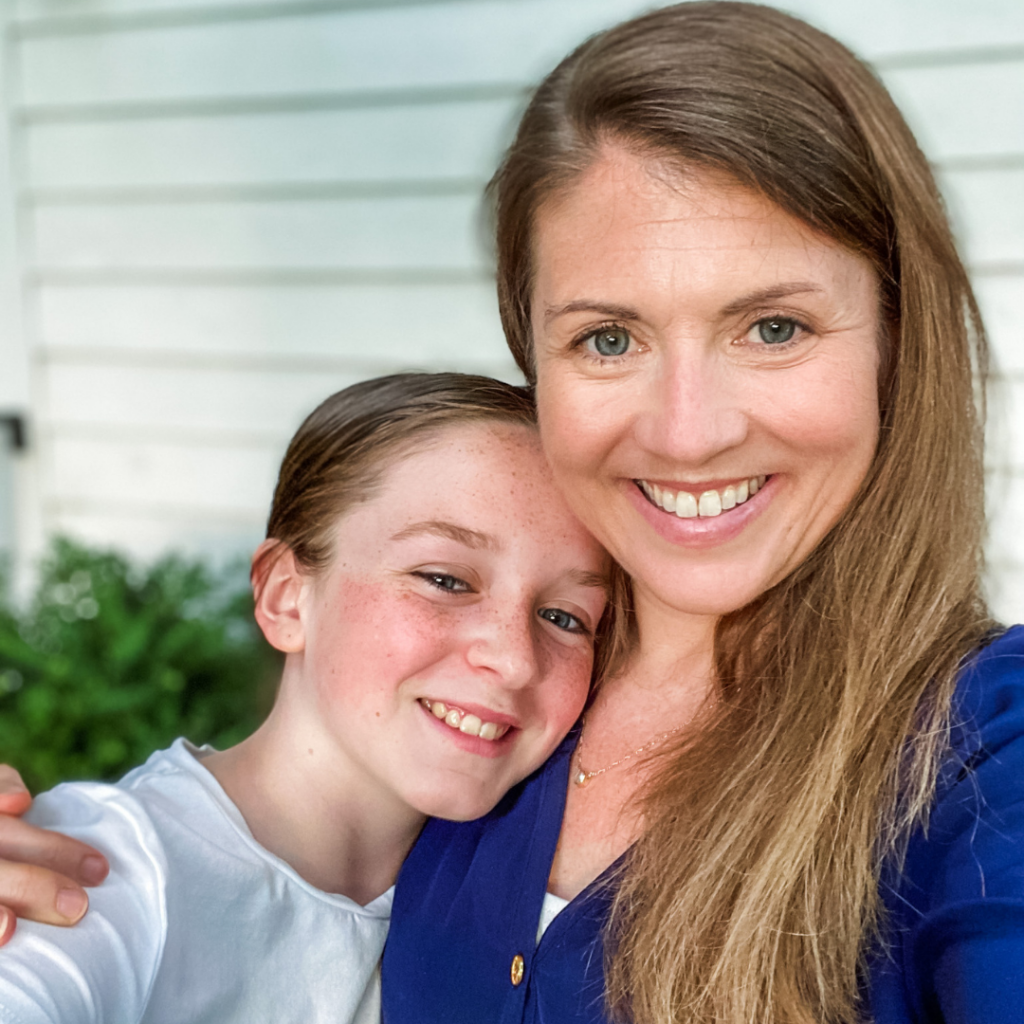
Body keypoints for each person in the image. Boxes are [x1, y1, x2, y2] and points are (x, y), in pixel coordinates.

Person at [2, 3, 1023, 1023]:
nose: (686, 432)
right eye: (609, 339)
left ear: (897, 340)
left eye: (771, 325)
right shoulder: (499, 722)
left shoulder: (981, 752)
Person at [0, 372, 610, 1023]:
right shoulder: (106, 873)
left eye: (566, 617)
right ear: (286, 597)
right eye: (444, 579)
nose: (515, 659)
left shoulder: (506, 902)